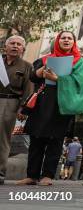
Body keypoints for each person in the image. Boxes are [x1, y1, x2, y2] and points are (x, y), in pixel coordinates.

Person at [17, 31, 83, 186]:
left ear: (74, 42)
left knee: (55, 141)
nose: (66, 40)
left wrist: (59, 79)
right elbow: (32, 77)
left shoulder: (79, 61)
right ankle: (31, 176)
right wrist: (41, 71)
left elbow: (80, 82)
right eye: (63, 38)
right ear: (57, 41)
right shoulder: (44, 59)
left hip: (62, 105)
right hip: (42, 104)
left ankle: (47, 175)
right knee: (36, 139)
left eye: (70, 38)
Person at [0, 35, 33, 185]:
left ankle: (0, 173)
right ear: (5, 47)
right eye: (12, 43)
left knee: (3, 139)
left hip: (10, 102)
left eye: (18, 44)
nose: (15, 46)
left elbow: (28, 89)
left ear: (23, 49)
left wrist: (23, 109)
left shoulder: (26, 66)